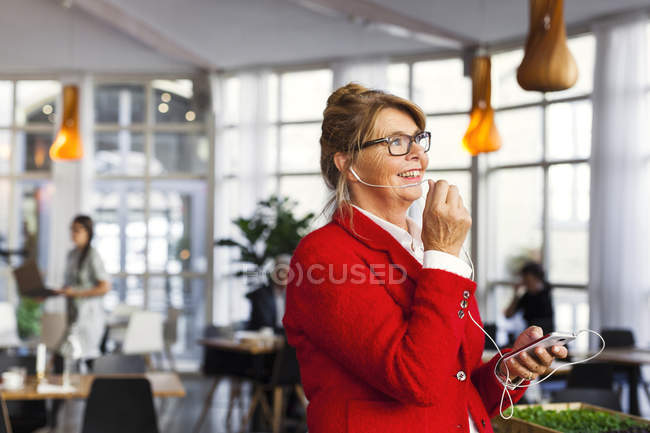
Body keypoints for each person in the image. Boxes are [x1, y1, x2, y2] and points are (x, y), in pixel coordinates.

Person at [282, 83, 568, 433]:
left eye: (418, 139)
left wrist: (506, 371)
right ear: (348, 163)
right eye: (396, 142)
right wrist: (444, 254)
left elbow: (454, 390)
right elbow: (417, 382)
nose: (417, 152)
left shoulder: (423, 244)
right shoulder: (323, 256)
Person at [55, 215, 111, 365]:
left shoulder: (93, 255)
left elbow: (104, 286)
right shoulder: (72, 255)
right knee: (67, 358)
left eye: (77, 230)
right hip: (74, 316)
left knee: (76, 358)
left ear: (88, 232)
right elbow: (70, 287)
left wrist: (76, 293)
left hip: (89, 317)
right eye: (72, 230)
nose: (73, 234)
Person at [504, 261, 555, 333]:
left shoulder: (546, 293)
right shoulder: (527, 296)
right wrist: (516, 295)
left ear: (537, 279)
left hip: (544, 335)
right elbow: (508, 315)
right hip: (530, 335)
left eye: (527, 280)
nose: (524, 283)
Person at [245, 254, 291, 333]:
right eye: (282, 272)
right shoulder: (261, 294)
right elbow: (265, 324)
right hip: (263, 339)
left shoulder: (295, 296)